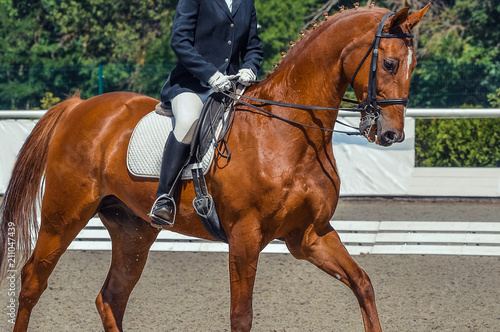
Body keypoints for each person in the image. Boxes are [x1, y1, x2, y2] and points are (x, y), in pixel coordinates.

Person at [149, 0, 264, 227]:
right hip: (192, 84)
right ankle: (164, 198)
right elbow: (180, 41)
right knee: (189, 121)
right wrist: (209, 74)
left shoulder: (246, 3)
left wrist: (250, 67)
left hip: (230, 87)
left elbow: (253, 47)